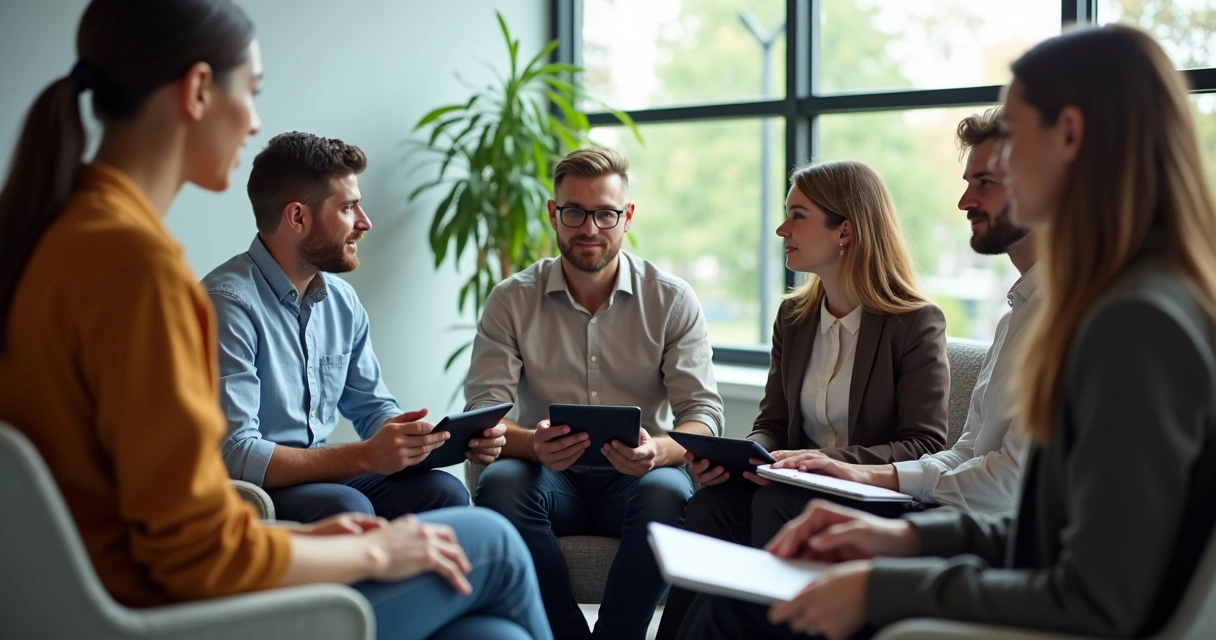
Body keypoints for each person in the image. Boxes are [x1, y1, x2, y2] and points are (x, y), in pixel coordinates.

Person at [0, 2, 550, 638]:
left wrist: (343, 529)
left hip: (112, 595)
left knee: (490, 633)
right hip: (164, 614)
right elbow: (198, 548)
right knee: (491, 542)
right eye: (252, 91)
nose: (254, 120)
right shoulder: (141, 271)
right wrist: (372, 551)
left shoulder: (63, 234)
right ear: (199, 89)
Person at [676, 23, 1216, 640]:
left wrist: (883, 583)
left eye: (1011, 139)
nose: (996, 172)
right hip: (991, 559)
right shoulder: (1107, 303)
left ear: (1068, 134)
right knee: (746, 596)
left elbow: (1097, 596)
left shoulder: (1138, 325)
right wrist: (903, 534)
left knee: (744, 610)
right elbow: (1046, 526)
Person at [656, 159, 949, 640]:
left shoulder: (914, 322)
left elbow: (925, 446)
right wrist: (744, 458)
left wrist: (822, 462)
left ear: (845, 231)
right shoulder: (794, 318)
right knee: (711, 504)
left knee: (776, 503)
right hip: (791, 487)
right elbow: (771, 422)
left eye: (798, 215)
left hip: (873, 501)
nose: (781, 228)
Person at [464, 147, 725, 640]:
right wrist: (530, 443)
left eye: (605, 213)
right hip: (547, 478)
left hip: (635, 481)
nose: (589, 228)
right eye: (575, 212)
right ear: (553, 214)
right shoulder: (511, 299)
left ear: (626, 216)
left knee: (669, 491)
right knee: (500, 483)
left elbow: (703, 412)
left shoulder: (670, 299)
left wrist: (658, 450)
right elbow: (484, 410)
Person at [203, 131, 484, 523]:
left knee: (445, 490)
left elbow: (373, 409)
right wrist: (365, 455)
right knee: (346, 507)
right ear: (298, 216)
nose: (365, 223)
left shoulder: (341, 301)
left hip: (323, 478)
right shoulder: (226, 305)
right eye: (349, 208)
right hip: (255, 490)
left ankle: (427, 586)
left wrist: (429, 439)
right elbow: (235, 453)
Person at [788, 108, 1039, 517]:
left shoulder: (1072, 319)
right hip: (966, 515)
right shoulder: (1016, 314)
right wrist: (864, 475)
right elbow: (967, 450)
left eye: (986, 183)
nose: (964, 202)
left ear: (1043, 187)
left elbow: (1009, 486)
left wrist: (869, 478)